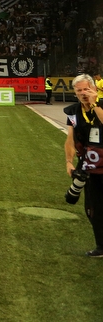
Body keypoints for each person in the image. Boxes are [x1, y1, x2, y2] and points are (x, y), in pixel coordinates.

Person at [64, 75, 103, 256]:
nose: (82, 93)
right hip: (89, 166)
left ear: (94, 88)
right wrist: (69, 162)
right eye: (79, 90)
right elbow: (70, 139)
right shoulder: (73, 112)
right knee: (93, 208)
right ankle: (101, 246)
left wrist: (95, 104)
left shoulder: (101, 105)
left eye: (86, 89)